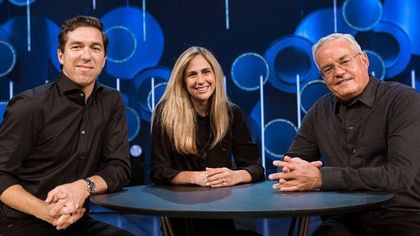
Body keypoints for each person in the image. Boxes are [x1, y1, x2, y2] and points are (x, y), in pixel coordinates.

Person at [268, 32, 420, 236]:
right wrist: (295, 173)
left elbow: (398, 176)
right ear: (323, 78)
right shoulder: (320, 110)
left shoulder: (402, 100)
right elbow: (292, 165)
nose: (338, 72)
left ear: (364, 60)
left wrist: (322, 178)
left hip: (400, 215)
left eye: (344, 61)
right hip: (344, 218)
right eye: (328, 69)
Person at [0, 16, 133, 235]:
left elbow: (119, 167)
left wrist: (83, 186)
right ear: (60, 55)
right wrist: (45, 210)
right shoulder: (30, 105)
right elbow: (1, 173)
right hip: (23, 222)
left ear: (104, 59)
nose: (86, 56)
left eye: (95, 48)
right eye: (76, 47)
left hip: (77, 222)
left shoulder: (111, 101)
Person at [151, 46, 264, 235]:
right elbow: (158, 171)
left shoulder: (231, 113)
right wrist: (196, 177)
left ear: (216, 75)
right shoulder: (166, 113)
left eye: (206, 72)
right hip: (181, 215)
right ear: (182, 81)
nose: (201, 81)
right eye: (192, 75)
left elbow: (256, 168)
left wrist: (235, 176)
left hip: (223, 211)